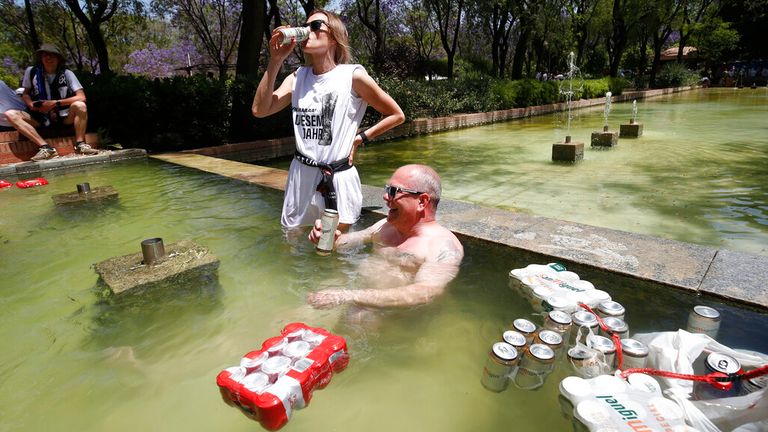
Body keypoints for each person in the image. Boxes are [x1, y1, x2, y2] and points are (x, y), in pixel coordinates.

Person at [252, 9, 405, 232]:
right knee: (293, 245)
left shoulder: (353, 76)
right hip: (301, 177)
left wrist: (359, 139)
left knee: (336, 251)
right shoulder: (297, 78)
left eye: (315, 27)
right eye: (306, 27)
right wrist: (275, 61)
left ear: (333, 37)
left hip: (338, 178)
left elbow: (396, 115)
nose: (307, 31)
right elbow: (259, 110)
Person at [306, 164, 464, 310]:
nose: (385, 197)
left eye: (393, 191)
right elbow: (346, 242)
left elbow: (425, 292)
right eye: (387, 189)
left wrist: (348, 296)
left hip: (391, 317)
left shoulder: (442, 246)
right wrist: (327, 239)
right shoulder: (385, 226)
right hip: (353, 298)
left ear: (422, 201)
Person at [3, 43, 97, 162]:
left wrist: (55, 103)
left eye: (52, 55)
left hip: (63, 116)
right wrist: (31, 105)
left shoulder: (67, 73)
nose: (48, 58)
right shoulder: (31, 72)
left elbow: (81, 97)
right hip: (39, 116)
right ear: (41, 58)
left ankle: (80, 145)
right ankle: (46, 148)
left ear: (58, 58)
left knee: (80, 105)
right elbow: (25, 93)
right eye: (45, 55)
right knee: (10, 114)